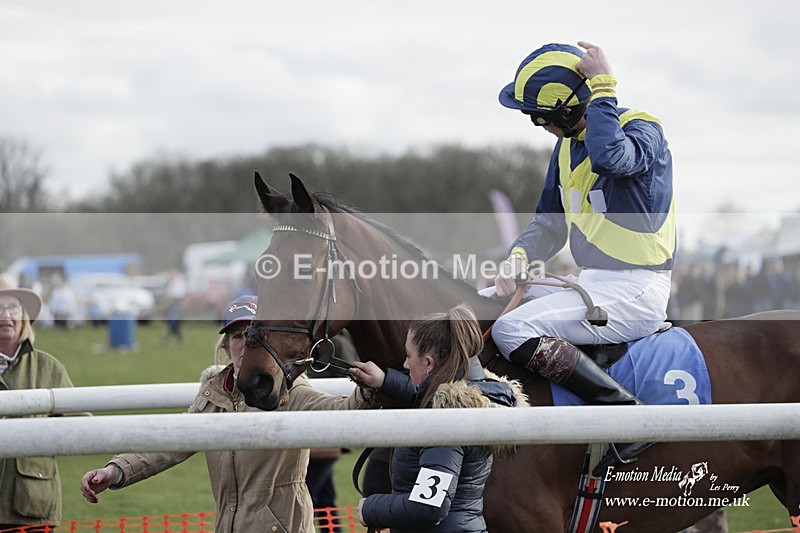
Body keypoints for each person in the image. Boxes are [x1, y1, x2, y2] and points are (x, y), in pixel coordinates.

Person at [492, 42, 675, 471]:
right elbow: (549, 224)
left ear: (571, 110)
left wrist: (604, 87)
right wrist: (518, 257)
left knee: (510, 331)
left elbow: (612, 158)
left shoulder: (643, 129)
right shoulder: (566, 148)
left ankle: (626, 417)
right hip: (593, 283)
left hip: (638, 288)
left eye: (540, 117)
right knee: (482, 301)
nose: (537, 126)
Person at [80, 295, 378, 533]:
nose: (246, 342)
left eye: (253, 333)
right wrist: (116, 470)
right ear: (225, 346)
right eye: (237, 335)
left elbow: (340, 411)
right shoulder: (213, 395)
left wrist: (368, 388)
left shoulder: (288, 392)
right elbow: (170, 443)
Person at [350, 304, 525, 533]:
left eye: (408, 355)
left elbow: (429, 506)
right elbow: (428, 393)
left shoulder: (446, 422)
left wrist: (371, 508)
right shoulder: (472, 395)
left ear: (430, 363)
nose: (404, 364)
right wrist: (384, 381)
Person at [0, 275, 76, 531]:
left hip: (30, 504)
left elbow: (81, 428)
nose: (5, 315)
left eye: (12, 307)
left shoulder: (49, 367)